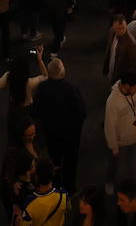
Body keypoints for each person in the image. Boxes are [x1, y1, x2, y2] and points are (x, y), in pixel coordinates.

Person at [33, 57, 86, 191]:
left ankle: (55, 185)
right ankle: (70, 186)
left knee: (54, 160)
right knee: (70, 162)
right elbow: (82, 112)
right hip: (71, 136)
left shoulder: (42, 89)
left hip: (51, 135)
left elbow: (36, 112)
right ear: (63, 72)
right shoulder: (71, 89)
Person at [105, 74, 136, 191]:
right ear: (126, 86)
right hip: (121, 144)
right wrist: (114, 147)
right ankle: (111, 184)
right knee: (117, 169)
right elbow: (110, 127)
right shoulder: (112, 102)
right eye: (135, 87)